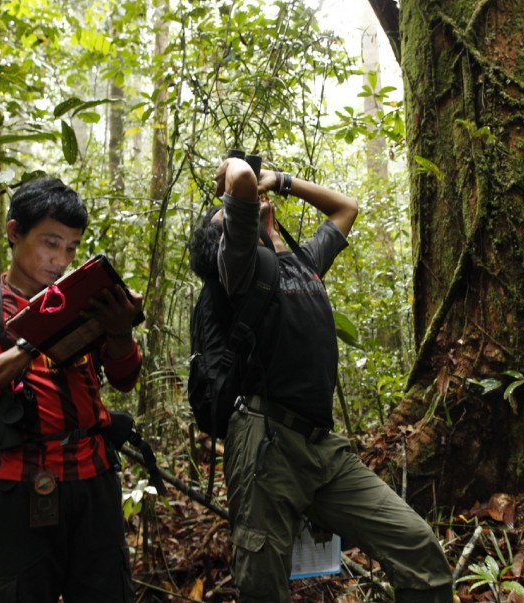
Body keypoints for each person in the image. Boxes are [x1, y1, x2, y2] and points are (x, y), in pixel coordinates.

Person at [188, 156, 454, 603]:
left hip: (322, 448)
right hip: (266, 445)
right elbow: (239, 180)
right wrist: (240, 174)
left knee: (417, 547)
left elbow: (346, 207)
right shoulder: (241, 269)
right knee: (264, 589)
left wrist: (284, 181)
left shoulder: (302, 263)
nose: (254, 202)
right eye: (234, 211)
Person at [0, 177, 144, 603]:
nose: (60, 259)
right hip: (18, 486)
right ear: (15, 232)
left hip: (94, 482)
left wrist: (119, 333)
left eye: (71, 247)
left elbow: (123, 379)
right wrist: (30, 344)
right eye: (51, 243)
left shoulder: (81, 299)